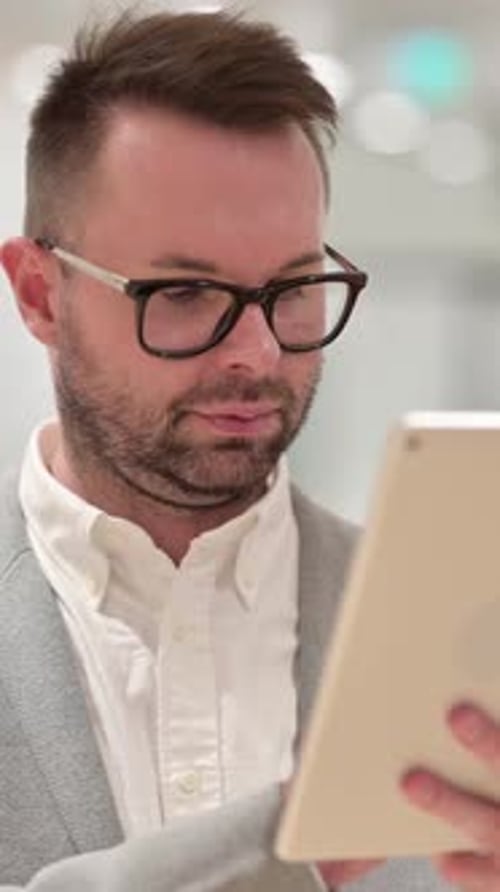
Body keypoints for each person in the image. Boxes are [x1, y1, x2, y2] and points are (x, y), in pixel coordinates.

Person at [1, 8, 500, 892]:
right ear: (41, 294)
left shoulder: (458, 652)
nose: (259, 353)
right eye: (186, 292)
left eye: (296, 287)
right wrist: (275, 842)